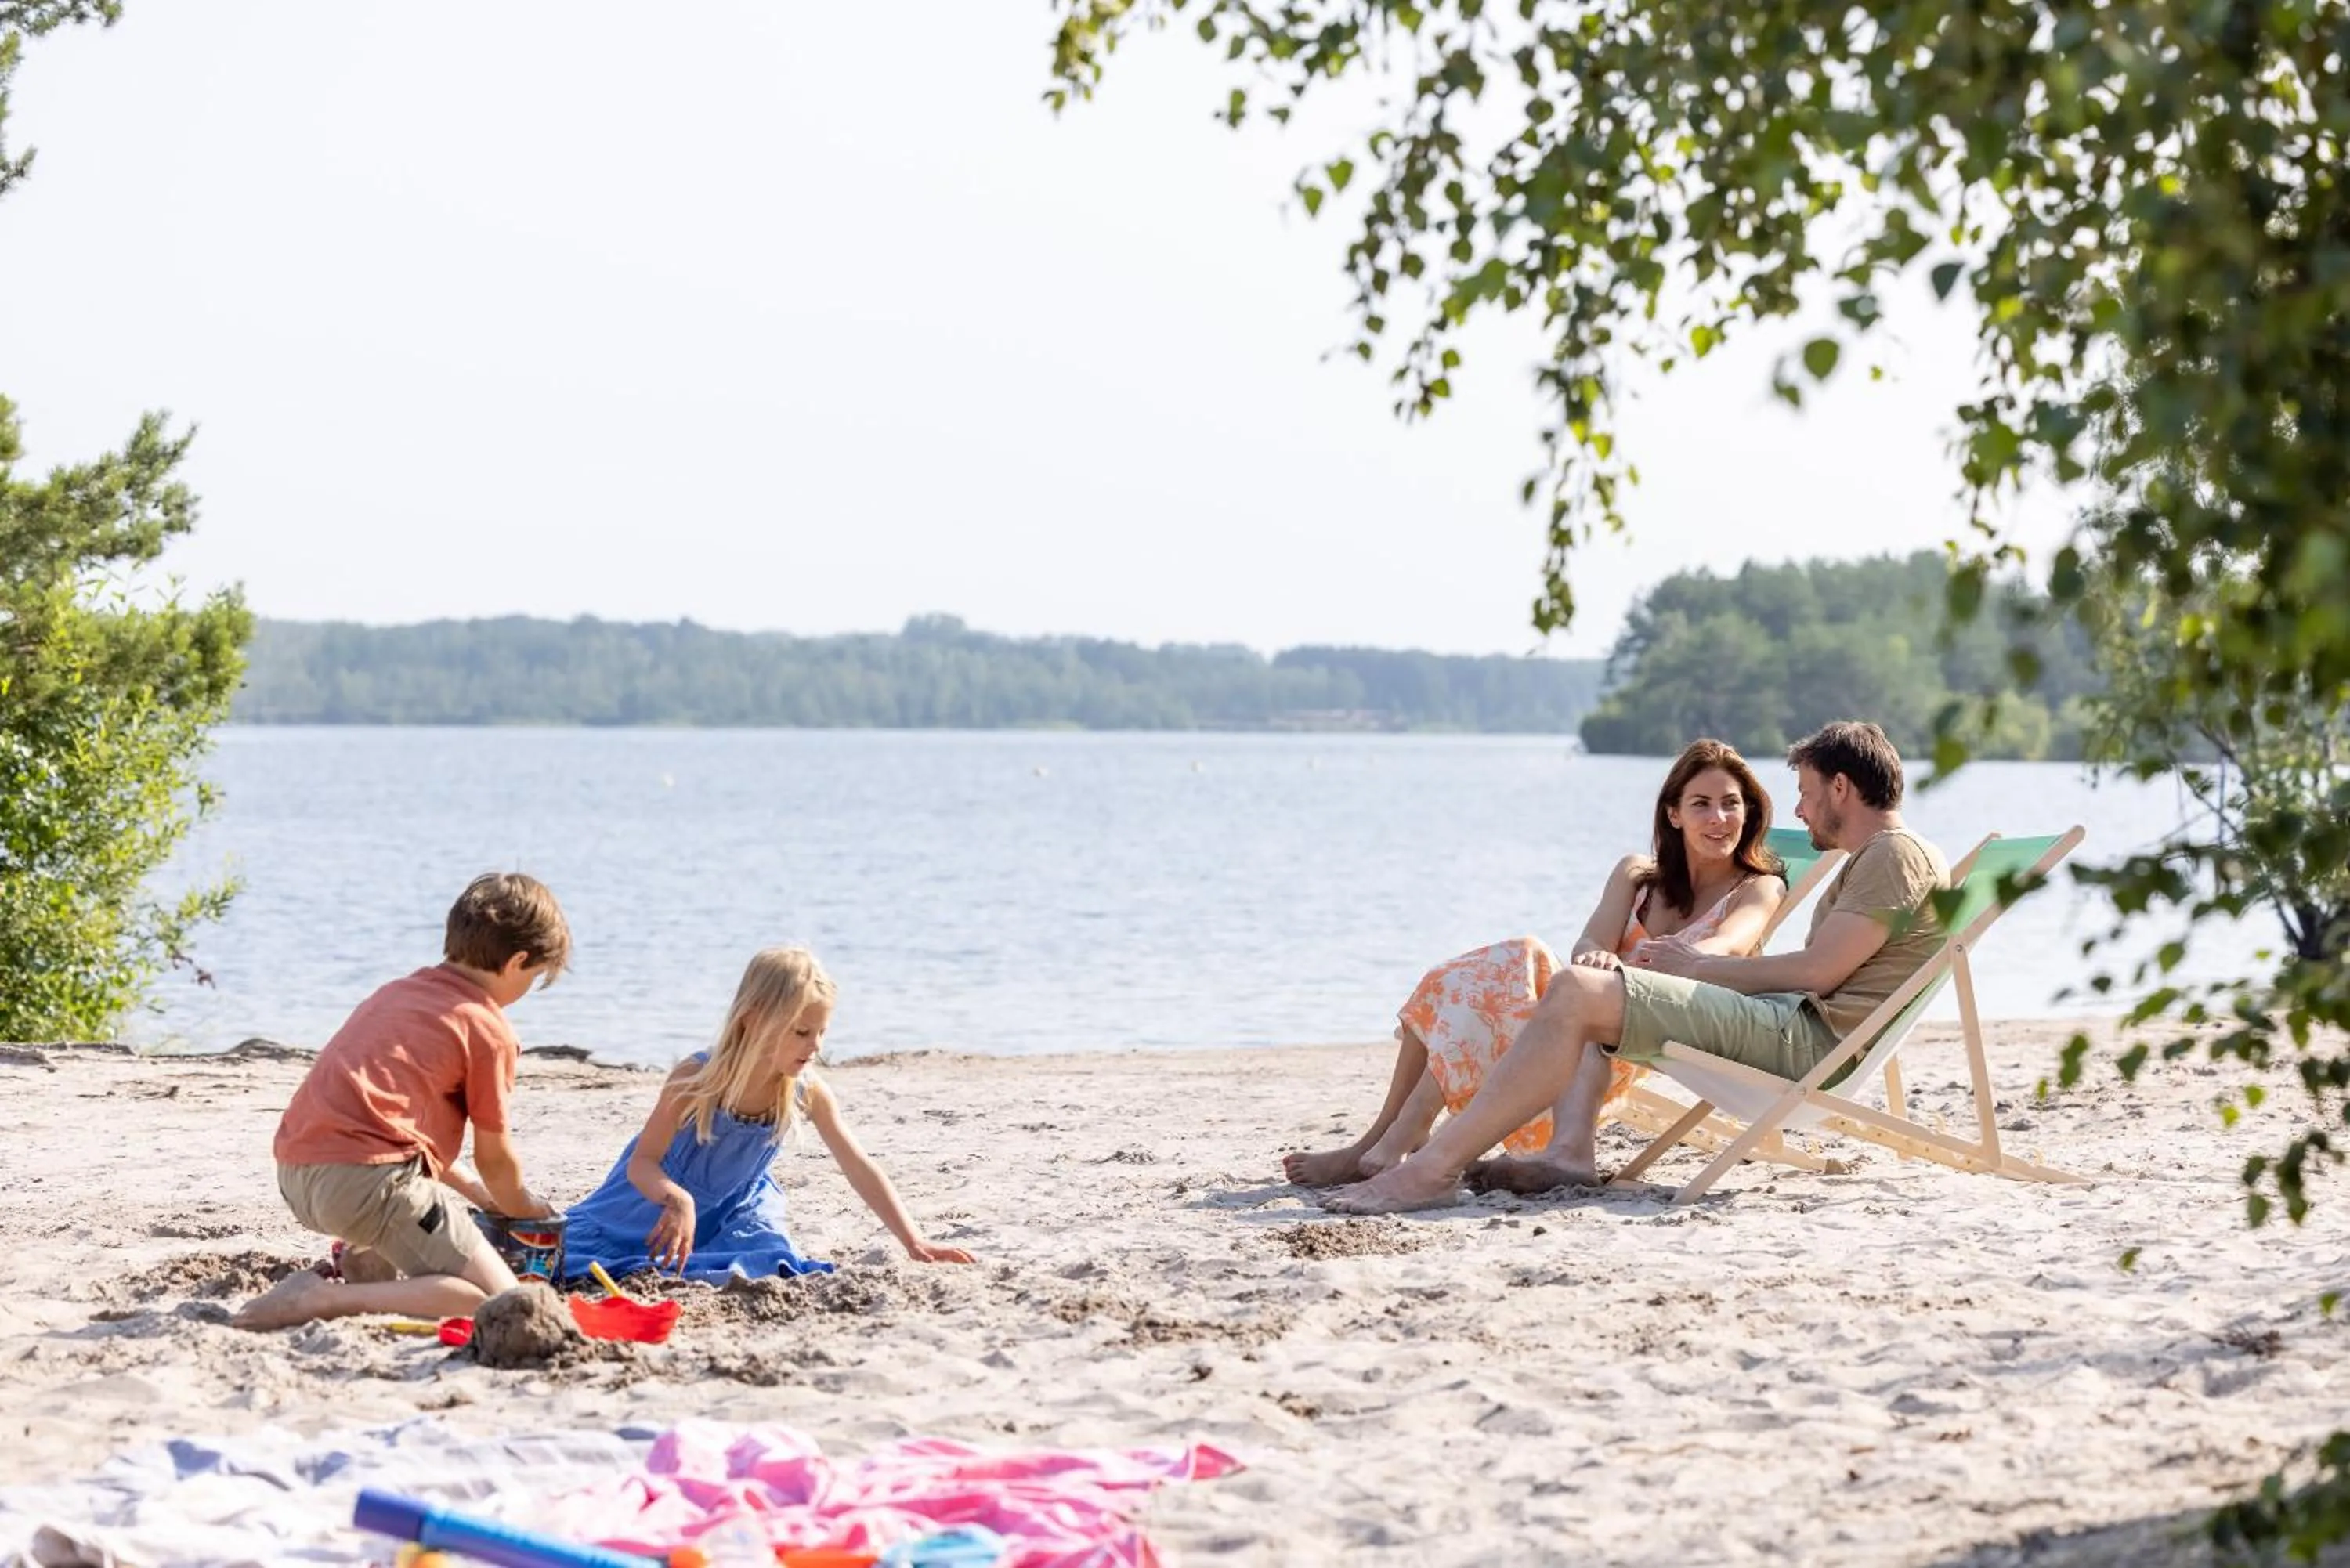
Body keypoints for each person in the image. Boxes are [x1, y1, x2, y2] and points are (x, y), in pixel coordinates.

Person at [1323, 720, 1950, 1213]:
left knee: (1575, 990)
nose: (1802, 812)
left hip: (1804, 1044)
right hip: (1793, 1029)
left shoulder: (1893, 855)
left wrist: (1698, 968)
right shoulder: (1885, 858)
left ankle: (1433, 1167)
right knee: (1563, 981)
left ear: (1841, 787)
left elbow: (1818, 972)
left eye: (1809, 795)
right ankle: (1555, 1151)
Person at [1284, 739, 1788, 1191]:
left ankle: (1402, 1129)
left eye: (1730, 804)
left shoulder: (1758, 886)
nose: (1719, 818)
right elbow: (1593, 937)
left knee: (1509, 985)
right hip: (1570, 1023)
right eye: (1701, 804)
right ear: (1674, 815)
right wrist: (1598, 953)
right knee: (1501, 966)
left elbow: (1727, 945)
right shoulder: (1637, 875)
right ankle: (1385, 1133)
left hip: (1643, 1035)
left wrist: (1675, 961)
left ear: (1748, 814)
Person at [232, 873, 569, 1331]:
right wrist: (523, 1207)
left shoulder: (396, 995)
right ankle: (318, 1300)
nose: (527, 990)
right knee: (498, 1299)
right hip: (363, 1184)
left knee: (409, 1213)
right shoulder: (488, 1030)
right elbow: (496, 1160)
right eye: (534, 978)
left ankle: (364, 1268)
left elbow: (389, 1128)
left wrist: (476, 1196)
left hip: (298, 1175)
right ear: (517, 961)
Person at [560, 946, 974, 1281]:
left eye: (822, 1032)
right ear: (753, 1020)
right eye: (801, 1032)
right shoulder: (695, 1079)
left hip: (736, 1206)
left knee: (767, 1261)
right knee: (580, 1256)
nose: (815, 1047)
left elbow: (858, 1165)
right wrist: (677, 1200)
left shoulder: (808, 1091)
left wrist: (913, 1240)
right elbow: (642, 1163)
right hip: (652, 1200)